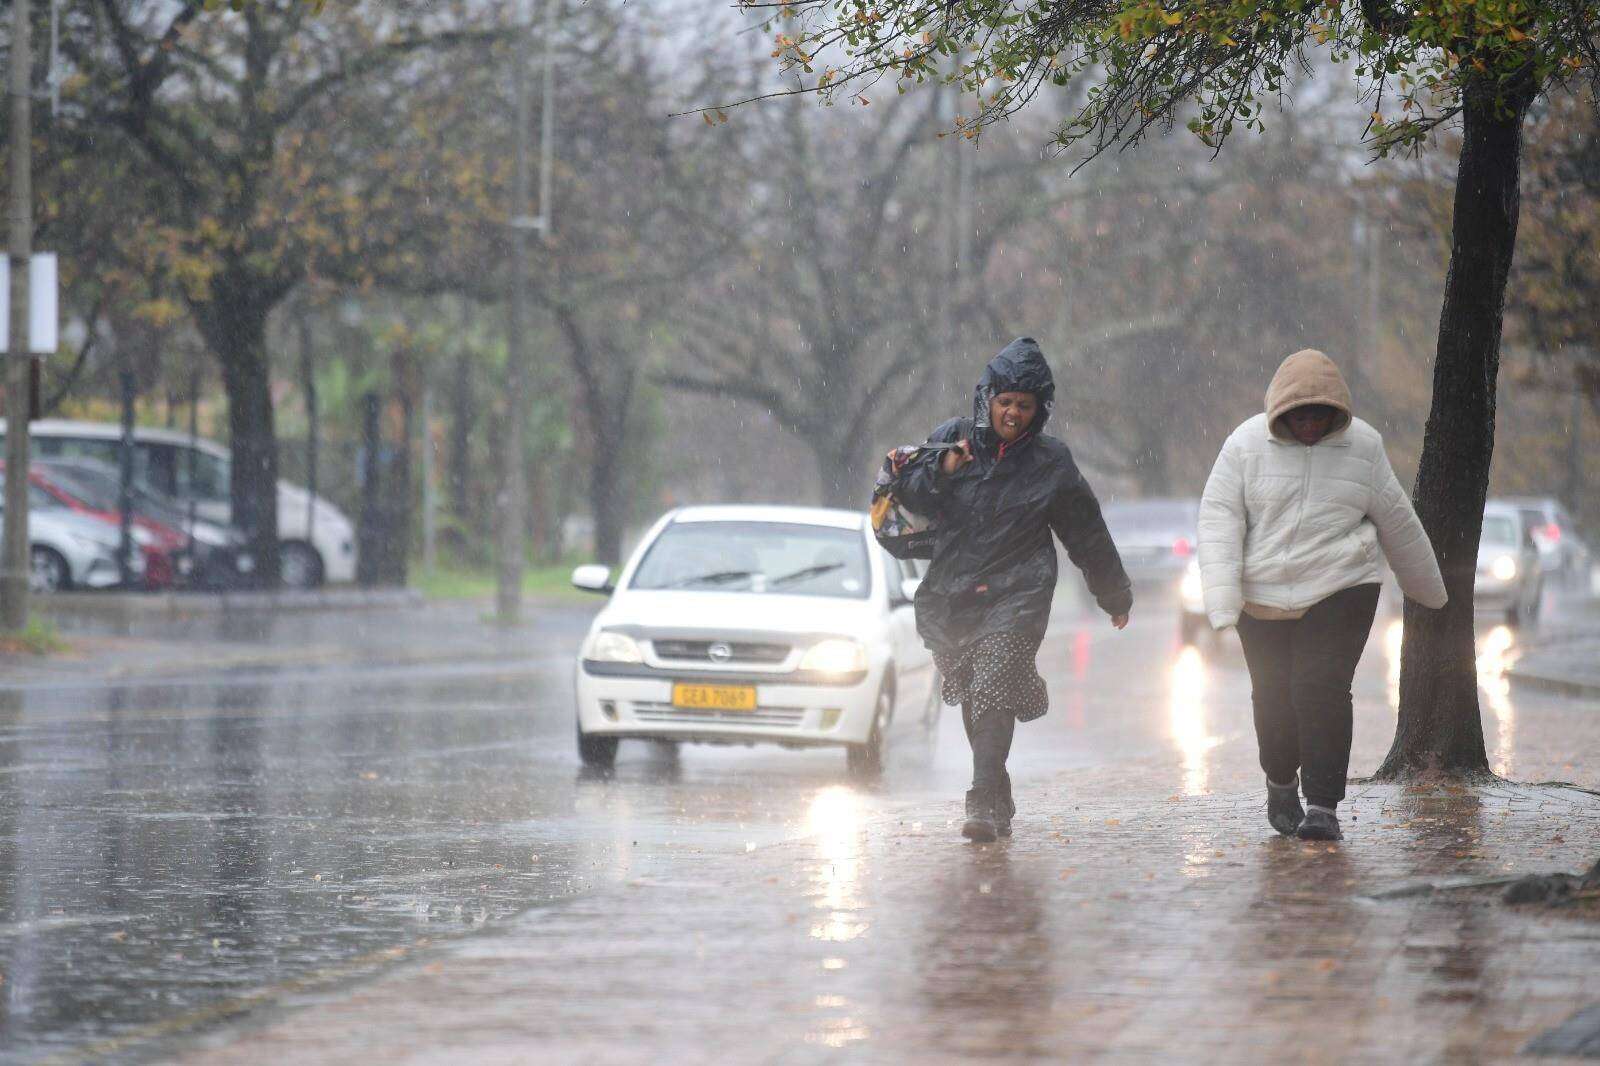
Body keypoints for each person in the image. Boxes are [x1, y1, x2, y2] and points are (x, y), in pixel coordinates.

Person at [1198, 349, 1446, 842]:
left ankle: (1323, 805)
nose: (1309, 425)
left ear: (1337, 413)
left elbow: (1396, 518)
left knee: (1320, 687)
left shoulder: (1364, 446)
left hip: (1341, 585)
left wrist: (1428, 589)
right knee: (1273, 699)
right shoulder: (1245, 445)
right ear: (1280, 413)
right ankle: (1280, 779)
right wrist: (1224, 603)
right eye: (1299, 416)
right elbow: (1219, 519)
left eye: (1319, 416)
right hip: (1261, 595)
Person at [893, 337, 1132, 843]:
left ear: (1038, 410)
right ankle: (996, 791)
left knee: (995, 680)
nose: (1013, 415)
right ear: (988, 399)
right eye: (1005, 403)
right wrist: (941, 470)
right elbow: (906, 493)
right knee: (973, 694)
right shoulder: (951, 441)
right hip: (953, 591)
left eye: (1024, 407)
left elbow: (1085, 531)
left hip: (1020, 590)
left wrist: (1113, 594)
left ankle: (979, 799)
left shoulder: (1052, 463)